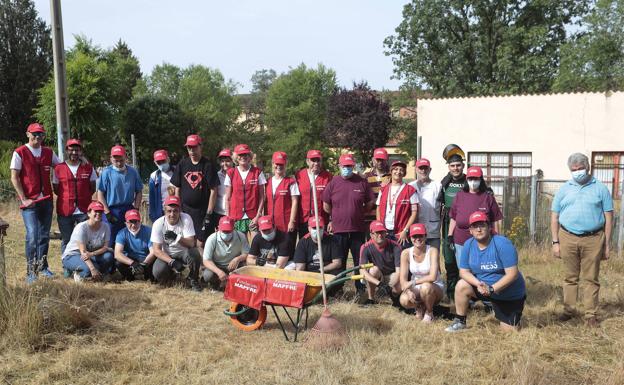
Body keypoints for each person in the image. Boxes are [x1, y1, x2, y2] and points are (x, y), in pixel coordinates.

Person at [551, 153, 613, 327]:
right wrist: (555, 242)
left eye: (580, 169)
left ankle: (590, 315)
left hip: (593, 238)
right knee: (570, 277)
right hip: (567, 237)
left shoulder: (600, 188)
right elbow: (554, 216)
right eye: (574, 170)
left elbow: (609, 217)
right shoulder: (564, 189)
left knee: (591, 278)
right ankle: (569, 310)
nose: (578, 172)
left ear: (588, 167)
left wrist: (607, 244)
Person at [446, 211, 526, 332]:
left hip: (507, 294)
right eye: (475, 226)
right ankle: (460, 321)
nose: (478, 229)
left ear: (489, 227)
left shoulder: (502, 243)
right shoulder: (468, 244)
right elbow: (463, 272)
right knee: (462, 285)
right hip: (483, 289)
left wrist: (492, 289)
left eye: (482, 225)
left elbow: (513, 274)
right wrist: (477, 284)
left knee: (510, 331)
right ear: (470, 230)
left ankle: (506, 313)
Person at [10, 123, 61, 282]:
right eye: (35, 134)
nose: (38, 137)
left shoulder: (48, 152)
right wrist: (24, 199)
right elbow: (14, 177)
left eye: (41, 134)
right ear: (27, 134)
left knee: (44, 235)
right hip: (29, 202)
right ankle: (31, 271)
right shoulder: (20, 152)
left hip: (46, 200)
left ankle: (43, 267)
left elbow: (60, 168)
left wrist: (55, 185)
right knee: (32, 235)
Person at [322, 153, 375, 292]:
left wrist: (359, 211)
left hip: (357, 229)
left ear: (353, 166)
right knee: (340, 261)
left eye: (349, 166)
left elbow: (370, 202)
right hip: (339, 230)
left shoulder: (362, 182)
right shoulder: (333, 182)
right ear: (339, 166)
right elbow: (326, 205)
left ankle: (360, 289)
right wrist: (335, 216)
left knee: (359, 261)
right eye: (344, 166)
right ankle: (338, 288)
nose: (347, 168)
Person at [170, 134, 219, 249]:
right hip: (186, 210)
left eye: (194, 147)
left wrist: (209, 213)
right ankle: (191, 263)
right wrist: (178, 207)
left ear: (200, 147)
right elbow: (177, 187)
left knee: (201, 242)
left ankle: (204, 265)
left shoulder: (207, 165)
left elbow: (214, 190)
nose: (192, 150)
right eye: (189, 148)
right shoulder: (183, 164)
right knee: (188, 239)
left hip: (202, 212)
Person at [448, 166, 502, 261]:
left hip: (483, 242)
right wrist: (450, 235)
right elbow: (453, 218)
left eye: (476, 178)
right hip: (461, 241)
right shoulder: (459, 195)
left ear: (481, 179)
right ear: (467, 179)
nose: (473, 181)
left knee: (481, 270)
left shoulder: (487, 197)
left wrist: (496, 238)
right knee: (464, 270)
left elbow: (495, 219)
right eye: (470, 178)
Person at [53, 139, 97, 254]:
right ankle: (67, 266)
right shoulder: (58, 168)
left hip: (84, 210)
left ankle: (85, 266)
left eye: (77, 150)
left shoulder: (88, 167)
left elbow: (92, 187)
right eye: (71, 150)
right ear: (67, 150)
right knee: (67, 240)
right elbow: (56, 189)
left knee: (85, 239)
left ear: (80, 151)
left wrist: (83, 196)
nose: (74, 152)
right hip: (65, 210)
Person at [150, 195, 202, 291]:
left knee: (195, 253)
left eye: (175, 211)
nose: (172, 214)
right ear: (164, 211)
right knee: (157, 272)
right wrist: (172, 261)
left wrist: (176, 237)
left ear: (180, 210)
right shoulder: (158, 223)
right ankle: (172, 276)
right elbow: (156, 250)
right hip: (167, 253)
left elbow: (191, 243)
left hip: (183, 252)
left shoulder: (186, 219)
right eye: (169, 211)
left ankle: (194, 279)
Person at [97, 145, 143, 246]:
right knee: (110, 239)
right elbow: (100, 194)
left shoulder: (133, 172)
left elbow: (139, 191)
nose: (118, 163)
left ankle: (126, 259)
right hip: (112, 209)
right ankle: (110, 259)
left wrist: (136, 208)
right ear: (111, 158)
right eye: (115, 160)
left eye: (121, 160)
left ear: (125, 157)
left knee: (129, 236)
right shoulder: (106, 173)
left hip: (128, 208)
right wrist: (107, 212)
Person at [399, 223, 445, 323]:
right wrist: (408, 291)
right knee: (403, 299)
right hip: (416, 287)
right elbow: (402, 280)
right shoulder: (405, 253)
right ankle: (420, 306)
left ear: (425, 236)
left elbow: (432, 277)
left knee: (426, 287)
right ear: (410, 238)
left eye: (420, 235)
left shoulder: (433, 251)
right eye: (414, 236)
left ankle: (429, 312)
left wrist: (412, 283)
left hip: (434, 286)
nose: (418, 239)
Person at [437, 144, 466, 300]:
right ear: (448, 167)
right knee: (449, 259)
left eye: (458, 165)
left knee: (465, 261)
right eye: (452, 165)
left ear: (463, 165)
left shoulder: (470, 181)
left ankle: (467, 295)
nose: (455, 168)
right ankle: (451, 294)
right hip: (448, 223)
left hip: (465, 225)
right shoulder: (444, 183)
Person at [61, 201, 114, 282]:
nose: (98, 214)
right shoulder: (81, 227)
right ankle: (74, 271)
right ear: (89, 213)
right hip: (73, 254)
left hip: (90, 254)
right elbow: (83, 252)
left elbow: (105, 247)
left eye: (100, 211)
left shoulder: (105, 226)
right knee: (88, 270)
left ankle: (98, 274)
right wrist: (92, 269)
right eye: (95, 211)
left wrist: (92, 254)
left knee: (108, 256)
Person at [224, 143, 266, 237]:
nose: (243, 157)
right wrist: (229, 216)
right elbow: (228, 198)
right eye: (240, 155)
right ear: (236, 157)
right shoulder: (231, 173)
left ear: (249, 156)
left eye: (246, 154)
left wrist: (258, 215)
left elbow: (262, 197)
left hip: (253, 216)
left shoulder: (258, 172)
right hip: (236, 217)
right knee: (241, 247)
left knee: (256, 244)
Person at [376, 160, 418, 248]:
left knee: (402, 260)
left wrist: (405, 230)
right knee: (386, 260)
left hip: (401, 234)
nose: (398, 172)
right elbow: (378, 209)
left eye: (401, 170)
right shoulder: (383, 189)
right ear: (391, 171)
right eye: (395, 169)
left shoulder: (410, 190)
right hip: (385, 232)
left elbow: (414, 213)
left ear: (404, 173)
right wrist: (380, 227)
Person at [360, 221, 402, 306]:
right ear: (371, 235)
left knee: (397, 281)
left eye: (382, 232)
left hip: (392, 275)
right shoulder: (365, 247)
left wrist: (390, 287)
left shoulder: (396, 246)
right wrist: (379, 284)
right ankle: (371, 299)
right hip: (378, 275)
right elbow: (362, 271)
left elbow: (399, 271)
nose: (380, 235)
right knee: (373, 270)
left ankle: (394, 297)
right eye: (377, 233)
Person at [265, 151, 300, 253]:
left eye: (281, 164)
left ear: (285, 164)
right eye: (276, 164)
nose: (279, 166)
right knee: (273, 252)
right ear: (272, 164)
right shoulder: (267, 182)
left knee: (288, 251)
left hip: (286, 223)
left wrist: (292, 221)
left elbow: (295, 201)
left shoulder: (291, 182)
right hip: (271, 224)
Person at [202, 216, 249, 289]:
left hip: (234, 266)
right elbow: (206, 260)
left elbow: (247, 253)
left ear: (234, 228)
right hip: (217, 265)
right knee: (208, 275)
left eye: (229, 231)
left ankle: (234, 283)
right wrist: (219, 272)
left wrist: (237, 259)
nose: (226, 233)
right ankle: (216, 283)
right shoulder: (212, 239)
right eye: (224, 231)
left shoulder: (241, 236)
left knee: (246, 271)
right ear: (218, 228)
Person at [295, 149, 333, 238]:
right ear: (307, 161)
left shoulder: (328, 177)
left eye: (318, 160)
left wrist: (332, 219)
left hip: (322, 220)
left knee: (322, 248)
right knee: (305, 247)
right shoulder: (299, 175)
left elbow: (333, 200)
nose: (316, 163)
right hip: (304, 220)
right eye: (313, 160)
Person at [114, 209, 156, 281]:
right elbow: (117, 254)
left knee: (154, 266)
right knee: (118, 263)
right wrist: (132, 263)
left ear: (140, 221)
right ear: (126, 223)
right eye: (130, 222)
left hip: (146, 259)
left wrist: (144, 264)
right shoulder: (121, 233)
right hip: (131, 260)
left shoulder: (149, 231)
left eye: (136, 222)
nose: (133, 225)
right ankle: (130, 277)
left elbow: (153, 252)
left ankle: (147, 276)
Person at [409, 158, 442, 250]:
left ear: (430, 170)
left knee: (433, 258)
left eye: (425, 168)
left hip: (433, 230)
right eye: (420, 168)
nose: (423, 171)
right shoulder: (411, 186)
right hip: (416, 230)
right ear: (416, 169)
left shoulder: (437, 186)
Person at [364, 148, 391, 231]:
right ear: (373, 159)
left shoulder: (392, 177)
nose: (380, 162)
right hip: (369, 218)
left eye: (382, 160)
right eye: (378, 159)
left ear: (387, 160)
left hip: (386, 218)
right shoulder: (366, 176)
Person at [209, 148, 234, 234]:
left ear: (232, 161)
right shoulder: (216, 176)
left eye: (227, 161)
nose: (224, 164)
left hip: (233, 212)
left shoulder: (237, 174)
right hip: (218, 213)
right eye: (222, 161)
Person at [148, 149, 174, 223]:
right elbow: (151, 198)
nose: (161, 164)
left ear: (168, 159)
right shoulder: (154, 176)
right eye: (158, 162)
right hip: (161, 212)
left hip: (175, 211)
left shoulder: (177, 172)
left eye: (163, 161)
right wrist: (153, 216)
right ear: (155, 163)